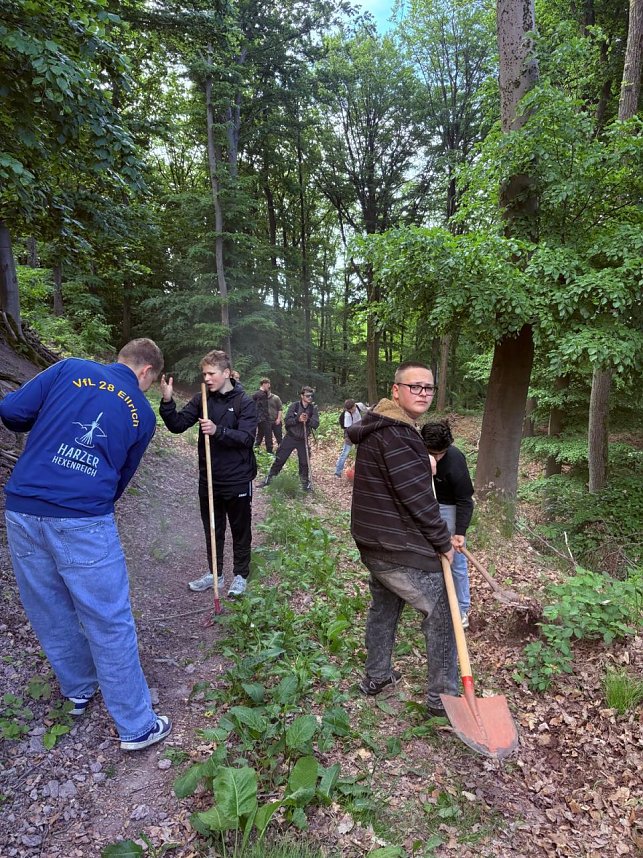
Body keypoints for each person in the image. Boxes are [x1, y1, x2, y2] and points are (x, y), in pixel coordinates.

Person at [0, 339, 172, 751]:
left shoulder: (68, 368)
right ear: (146, 372)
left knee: (47, 604)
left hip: (23, 508)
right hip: (83, 518)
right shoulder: (142, 413)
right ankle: (136, 725)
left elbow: (11, 412)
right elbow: (120, 479)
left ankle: (78, 687)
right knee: (109, 619)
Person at [347, 361, 457, 717]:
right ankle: (443, 701)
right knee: (442, 613)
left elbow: (399, 483)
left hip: (375, 539)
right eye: (415, 387)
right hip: (394, 544)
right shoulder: (398, 434)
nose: (423, 393)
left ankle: (377, 676)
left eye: (428, 387)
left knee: (386, 605)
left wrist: (423, 463)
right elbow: (418, 499)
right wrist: (443, 541)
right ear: (396, 390)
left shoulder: (383, 428)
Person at [159, 350, 257, 597]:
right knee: (213, 529)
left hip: (237, 479)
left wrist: (218, 431)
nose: (207, 378)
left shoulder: (244, 402)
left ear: (226, 373)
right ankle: (216, 574)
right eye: (204, 374)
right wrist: (168, 402)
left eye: (211, 373)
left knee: (240, 530)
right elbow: (178, 425)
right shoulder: (202, 398)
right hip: (210, 479)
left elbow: (247, 438)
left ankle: (240, 576)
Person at [421, 420, 474, 629]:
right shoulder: (415, 452)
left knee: (456, 560)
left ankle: (461, 609)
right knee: (426, 555)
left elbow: (464, 500)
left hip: (449, 506)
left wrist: (459, 532)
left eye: (439, 454)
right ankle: (429, 602)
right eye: (431, 453)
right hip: (423, 504)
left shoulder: (455, 460)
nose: (436, 458)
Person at [259, 386, 319, 491]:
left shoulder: (312, 409)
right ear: (302, 396)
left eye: (311, 396)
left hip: (303, 439)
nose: (310, 398)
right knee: (280, 458)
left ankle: (305, 484)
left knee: (304, 463)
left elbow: (316, 424)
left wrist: (308, 420)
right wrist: (298, 419)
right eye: (307, 396)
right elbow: (287, 421)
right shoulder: (294, 406)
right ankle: (269, 479)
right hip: (290, 437)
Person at [334, 399, 367, 477]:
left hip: (359, 431)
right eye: (349, 410)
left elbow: (367, 411)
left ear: (355, 405)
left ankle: (359, 472)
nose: (351, 411)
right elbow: (348, 429)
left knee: (361, 453)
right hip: (350, 434)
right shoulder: (347, 415)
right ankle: (337, 472)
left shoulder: (360, 405)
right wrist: (348, 438)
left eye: (352, 409)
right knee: (345, 453)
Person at [253, 378, 273, 453]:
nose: (269, 386)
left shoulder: (255, 394)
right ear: (264, 384)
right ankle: (270, 452)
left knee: (260, 434)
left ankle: (255, 449)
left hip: (258, 418)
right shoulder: (262, 394)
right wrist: (266, 417)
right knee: (268, 435)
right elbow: (263, 408)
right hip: (263, 418)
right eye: (268, 384)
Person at [267, 383, 283, 449]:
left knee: (279, 437)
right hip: (266, 421)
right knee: (268, 438)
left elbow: (280, 409)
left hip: (276, 420)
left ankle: (281, 450)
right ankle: (269, 451)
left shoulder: (276, 398)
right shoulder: (261, 398)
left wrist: (278, 419)